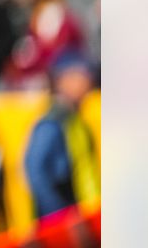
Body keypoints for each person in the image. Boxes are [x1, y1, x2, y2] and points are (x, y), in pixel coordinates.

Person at [23, 52, 99, 224]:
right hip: (63, 223)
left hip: (82, 216)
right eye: (82, 75)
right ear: (63, 80)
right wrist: (60, 218)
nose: (89, 81)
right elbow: (34, 171)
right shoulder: (52, 123)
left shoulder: (76, 119)